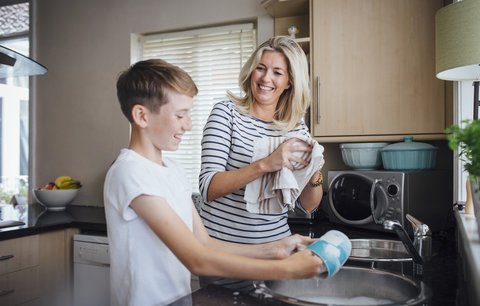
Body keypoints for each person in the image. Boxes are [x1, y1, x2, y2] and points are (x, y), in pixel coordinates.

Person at [103, 59, 325, 306]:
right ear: (141, 116)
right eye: (180, 115)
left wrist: (278, 249)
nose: (188, 125)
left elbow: (204, 243)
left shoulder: (171, 169)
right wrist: (287, 270)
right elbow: (197, 260)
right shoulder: (130, 172)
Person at [199, 36, 324, 244]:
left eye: (277, 72)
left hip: (276, 249)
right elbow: (208, 188)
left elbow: (307, 206)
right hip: (223, 252)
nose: (266, 78)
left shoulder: (297, 128)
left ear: (289, 81)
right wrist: (266, 164)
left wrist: (314, 173)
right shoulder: (226, 113)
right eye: (261, 68)